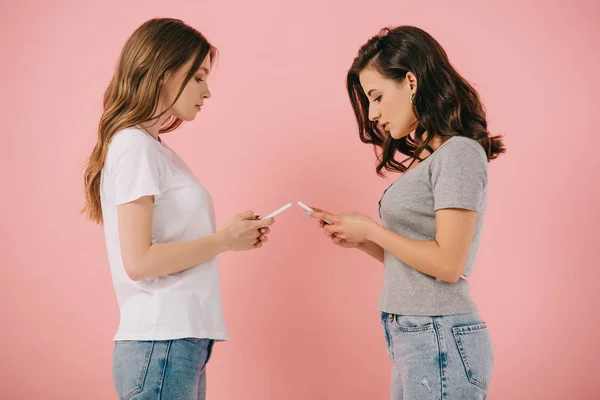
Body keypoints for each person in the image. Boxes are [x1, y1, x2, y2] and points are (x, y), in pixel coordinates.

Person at [308, 26, 504, 399]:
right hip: (414, 332)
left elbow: (448, 264)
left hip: (438, 334)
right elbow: (418, 261)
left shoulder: (459, 154)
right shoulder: (427, 159)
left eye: (377, 96)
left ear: (410, 81)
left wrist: (372, 228)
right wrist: (362, 240)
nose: (373, 113)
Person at [82, 18, 274, 399]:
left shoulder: (153, 149)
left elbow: (165, 243)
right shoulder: (134, 146)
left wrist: (229, 235)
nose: (208, 92)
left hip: (178, 343)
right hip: (162, 342)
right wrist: (224, 241)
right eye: (199, 77)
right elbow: (139, 262)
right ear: (165, 74)